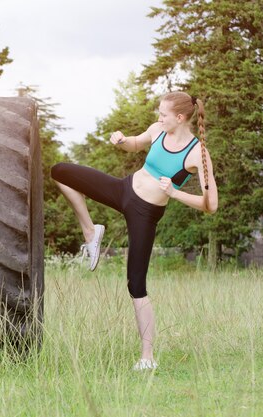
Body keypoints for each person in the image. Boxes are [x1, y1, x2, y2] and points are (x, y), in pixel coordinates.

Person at [50, 91, 218, 371]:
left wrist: (174, 193)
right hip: (124, 189)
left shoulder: (196, 154)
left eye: (163, 114)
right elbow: (136, 145)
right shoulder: (157, 130)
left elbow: (210, 204)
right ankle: (91, 233)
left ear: (179, 118)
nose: (158, 118)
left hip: (145, 213)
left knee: (136, 285)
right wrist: (122, 141)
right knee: (60, 171)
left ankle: (147, 357)